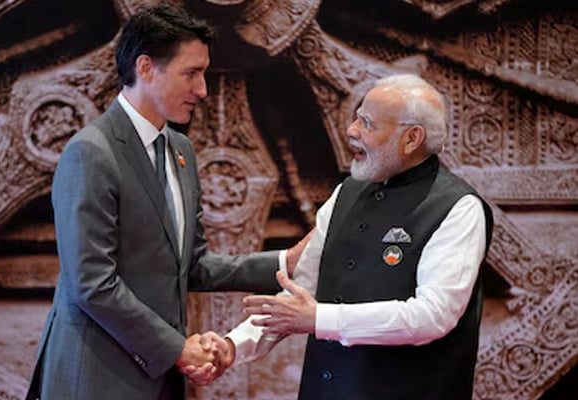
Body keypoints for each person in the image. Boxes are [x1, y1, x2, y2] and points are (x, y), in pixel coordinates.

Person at [25, 5, 296, 400]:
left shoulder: (180, 150)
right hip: (97, 380)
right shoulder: (91, 152)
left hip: (160, 382)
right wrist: (176, 348)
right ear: (146, 68)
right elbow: (92, 283)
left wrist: (284, 263)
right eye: (192, 73)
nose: (202, 90)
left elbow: (194, 264)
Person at [196, 74, 494, 400]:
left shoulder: (458, 208)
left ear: (412, 138)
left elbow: (433, 316)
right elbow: (301, 294)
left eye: (368, 123)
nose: (352, 131)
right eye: (357, 118)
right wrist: (232, 347)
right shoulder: (345, 193)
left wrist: (320, 318)